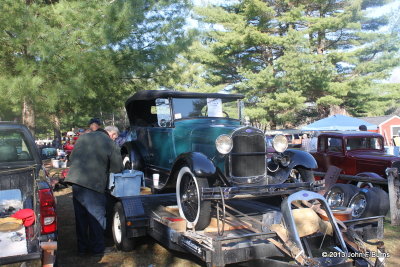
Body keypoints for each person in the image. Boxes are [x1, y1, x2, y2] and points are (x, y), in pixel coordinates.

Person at [65, 126, 122, 256]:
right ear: (112, 134)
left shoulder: (83, 137)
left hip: (76, 182)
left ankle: (82, 249)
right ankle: (97, 249)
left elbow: (72, 158)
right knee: (97, 217)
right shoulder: (109, 142)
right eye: (115, 137)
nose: (115, 139)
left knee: (81, 217)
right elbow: (117, 167)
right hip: (94, 184)